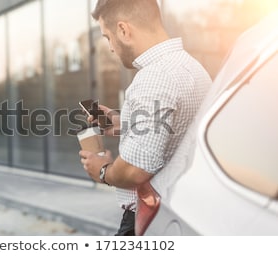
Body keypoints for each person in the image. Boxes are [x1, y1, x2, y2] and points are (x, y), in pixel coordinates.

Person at [79, 0, 212, 236]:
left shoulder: (154, 78)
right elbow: (176, 129)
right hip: (181, 208)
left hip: (148, 218)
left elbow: (135, 169)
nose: (110, 47)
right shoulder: (190, 65)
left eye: (108, 37)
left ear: (123, 30)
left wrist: (103, 171)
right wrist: (124, 124)